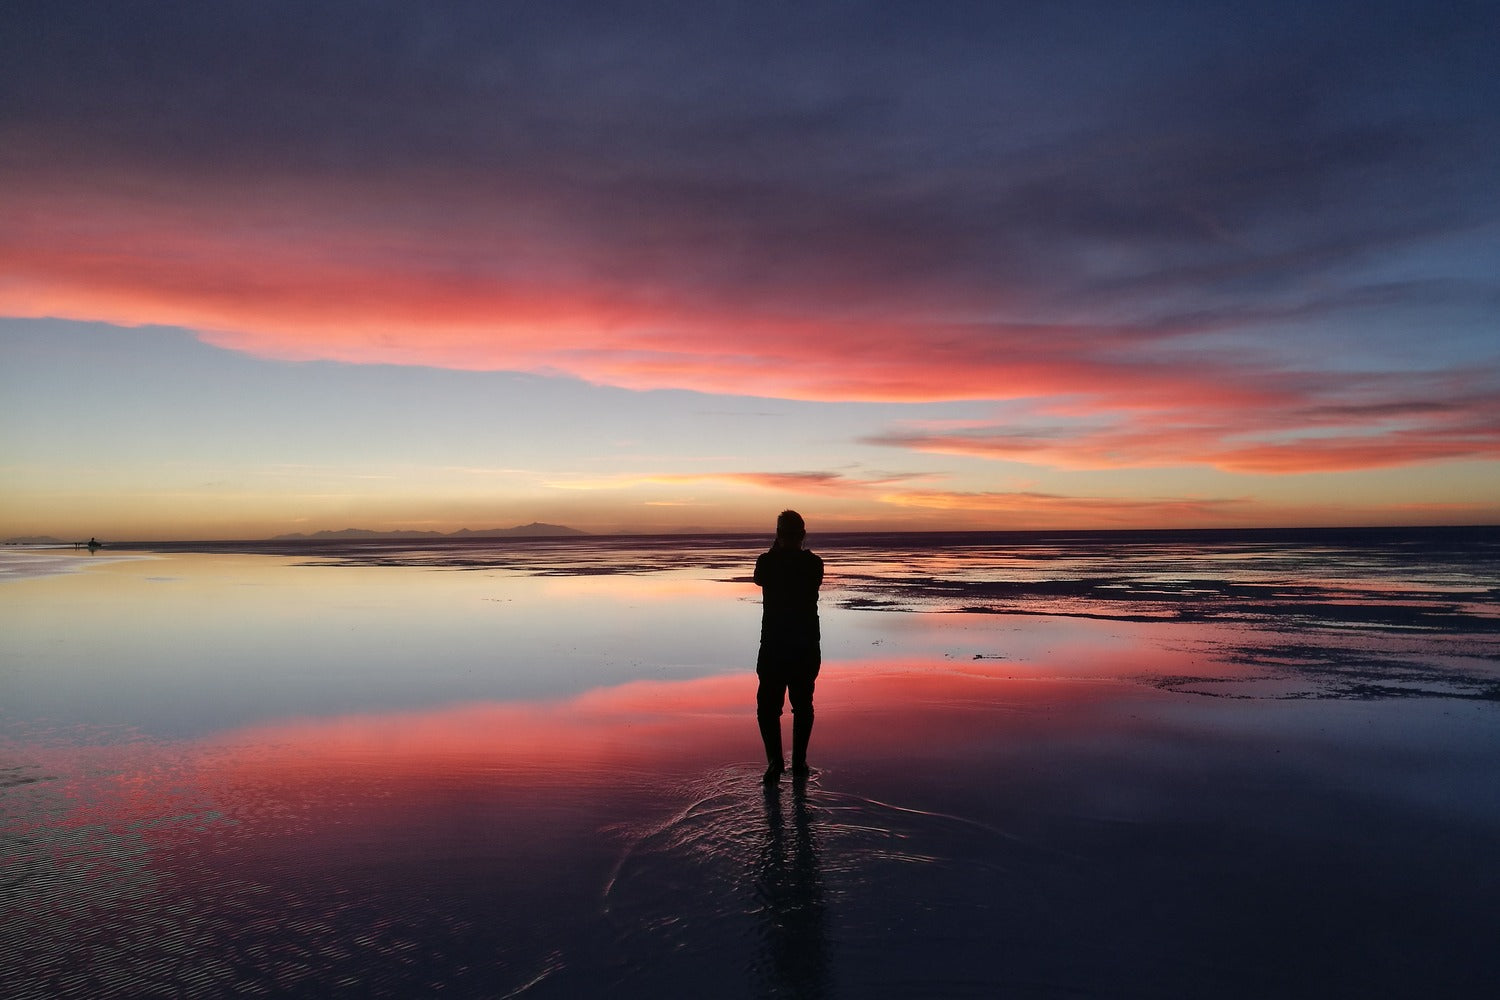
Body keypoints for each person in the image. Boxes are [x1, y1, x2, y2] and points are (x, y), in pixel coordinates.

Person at [754, 510, 824, 783]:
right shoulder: (814, 564)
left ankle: (775, 762)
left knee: (768, 707)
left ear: (779, 535)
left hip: (775, 645)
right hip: (805, 645)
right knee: (802, 705)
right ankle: (799, 762)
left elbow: (760, 576)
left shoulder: (768, 562)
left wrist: (776, 547)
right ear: (803, 535)